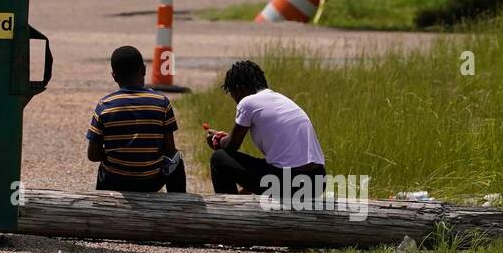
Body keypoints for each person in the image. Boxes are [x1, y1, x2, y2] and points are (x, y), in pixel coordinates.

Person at [206, 60, 325, 196]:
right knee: (265, 166)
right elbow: (274, 166)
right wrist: (243, 193)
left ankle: (227, 212)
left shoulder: (248, 102)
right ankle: (236, 203)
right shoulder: (282, 100)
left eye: (234, 96)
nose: (236, 102)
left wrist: (216, 139)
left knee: (219, 158)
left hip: (289, 183)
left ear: (240, 88)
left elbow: (231, 146)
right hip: (317, 181)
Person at [85, 46, 186, 193]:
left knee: (105, 167)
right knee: (177, 160)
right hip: (151, 182)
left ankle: (104, 202)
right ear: (144, 70)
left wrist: (114, 155)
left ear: (114, 76)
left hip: (115, 181)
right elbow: (170, 149)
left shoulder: (105, 105)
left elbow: (92, 155)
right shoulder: (161, 102)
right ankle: (179, 207)